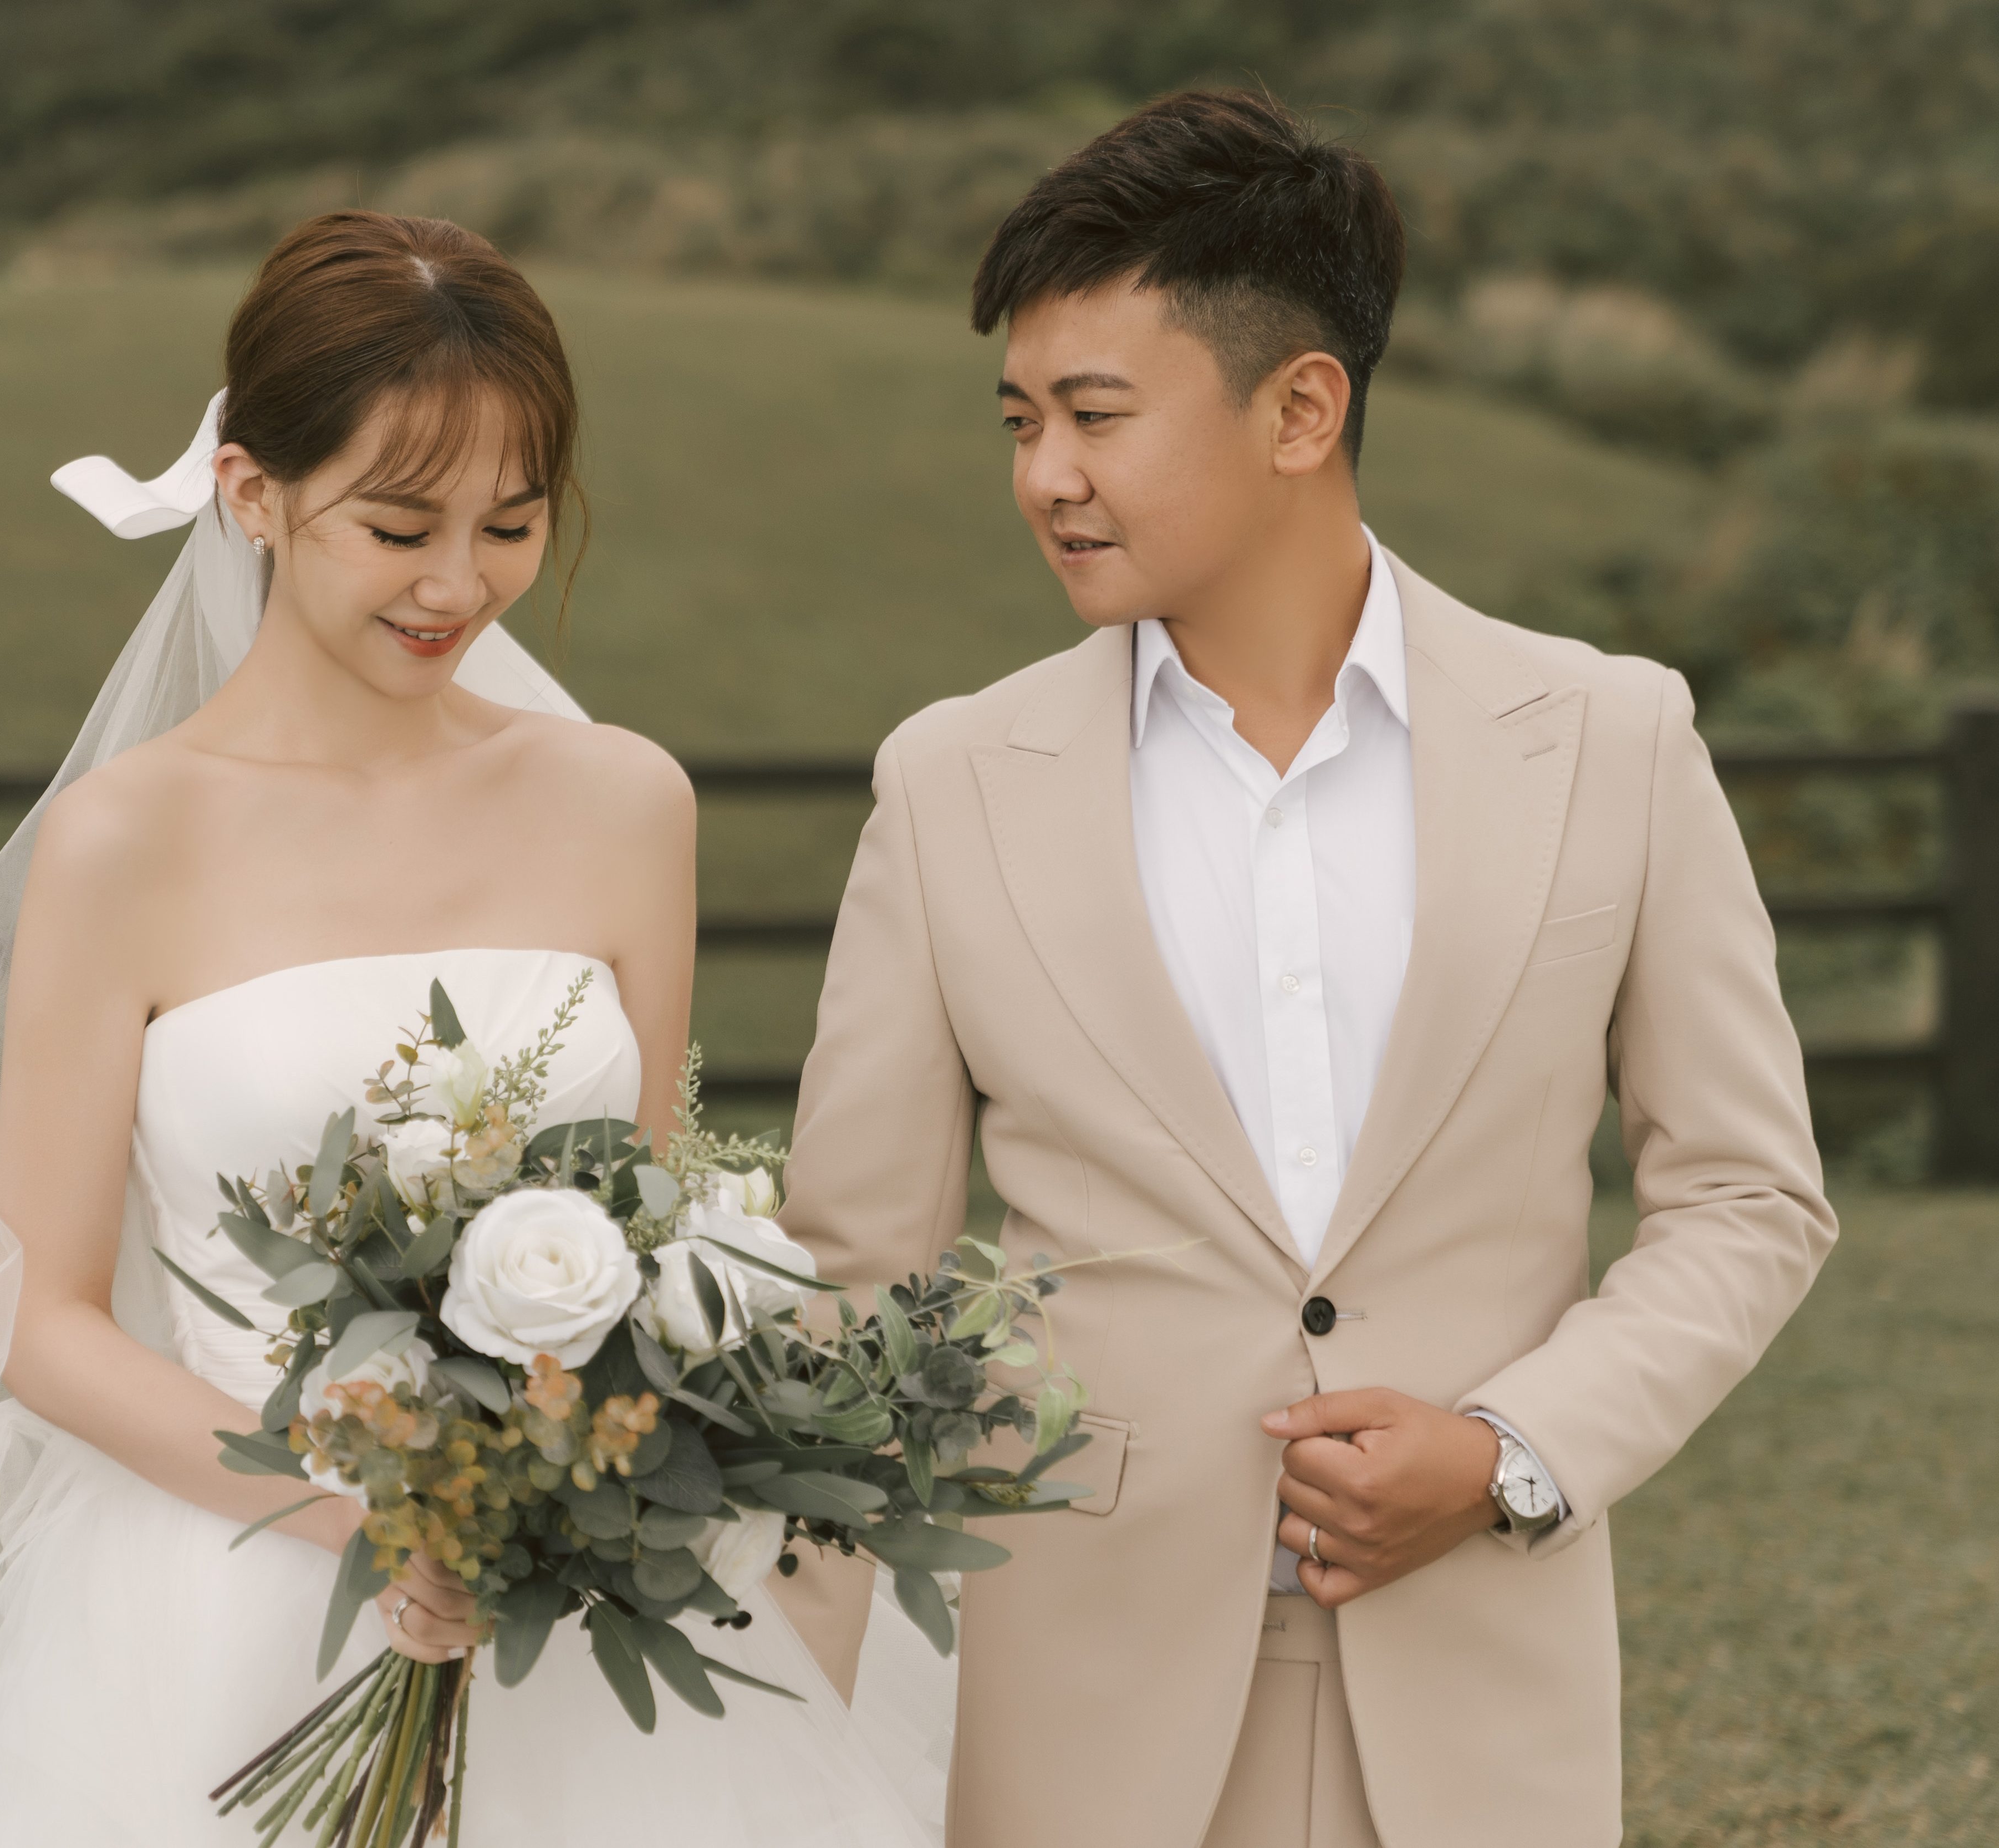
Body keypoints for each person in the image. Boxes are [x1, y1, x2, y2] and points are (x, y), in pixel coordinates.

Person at [771, 90, 1838, 1848]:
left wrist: (1510, 1450)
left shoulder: (1614, 739)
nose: (1045, 476)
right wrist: (771, 1711)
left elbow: (1747, 1196)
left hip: (1479, 1678)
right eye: (1022, 423)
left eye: (1096, 415)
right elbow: (854, 1276)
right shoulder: (951, 784)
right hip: (1080, 1705)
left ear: (1302, 409)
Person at [0, 211, 941, 1847]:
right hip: (225, 1594)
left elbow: (641, 1220)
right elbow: (44, 1323)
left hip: (568, 1600)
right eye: (399, 526)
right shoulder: (128, 840)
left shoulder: (626, 802)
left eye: (513, 525)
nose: (459, 585)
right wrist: (369, 1509)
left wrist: (600, 1453)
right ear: (252, 494)